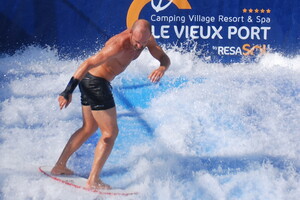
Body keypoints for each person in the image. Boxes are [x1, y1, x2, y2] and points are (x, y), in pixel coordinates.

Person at [51, 19, 170, 190]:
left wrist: (162, 68)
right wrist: (68, 91)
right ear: (131, 33)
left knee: (89, 128)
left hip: (95, 81)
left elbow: (164, 57)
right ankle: (93, 180)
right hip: (95, 82)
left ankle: (59, 166)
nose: (139, 46)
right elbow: (88, 63)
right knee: (110, 133)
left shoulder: (146, 39)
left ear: (149, 36)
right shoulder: (118, 45)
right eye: (136, 42)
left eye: (143, 42)